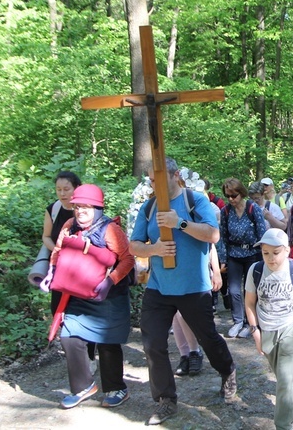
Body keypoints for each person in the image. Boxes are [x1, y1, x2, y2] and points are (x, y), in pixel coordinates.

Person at [130, 158, 237, 425]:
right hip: (159, 287)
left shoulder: (195, 200)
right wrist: (153, 249)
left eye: (158, 178)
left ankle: (227, 370)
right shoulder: (149, 206)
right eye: (150, 180)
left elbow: (213, 235)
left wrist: (181, 223)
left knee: (208, 338)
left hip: (193, 287)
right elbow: (134, 245)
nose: (153, 184)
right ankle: (166, 400)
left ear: (176, 175)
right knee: (153, 343)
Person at [47, 184, 134, 409]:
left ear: (97, 208)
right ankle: (83, 387)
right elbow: (58, 251)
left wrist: (109, 281)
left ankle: (117, 388)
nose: (80, 211)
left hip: (110, 297)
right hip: (77, 294)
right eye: (77, 206)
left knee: (108, 344)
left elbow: (127, 259)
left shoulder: (111, 230)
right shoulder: (69, 226)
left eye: (86, 206)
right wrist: (52, 271)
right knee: (69, 337)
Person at [244, 229, 293, 430]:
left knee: (284, 379)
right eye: (265, 252)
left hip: (290, 328)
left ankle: (284, 425)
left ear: (287, 251)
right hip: (267, 329)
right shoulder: (255, 270)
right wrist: (255, 332)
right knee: (284, 377)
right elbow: (250, 303)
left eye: (275, 252)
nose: (270, 258)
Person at [42, 171, 97, 365]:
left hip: (83, 271)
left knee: (85, 313)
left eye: (66, 189)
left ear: (76, 188)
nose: (62, 193)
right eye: (59, 189)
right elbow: (46, 237)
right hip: (60, 270)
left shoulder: (85, 209)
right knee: (58, 310)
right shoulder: (53, 209)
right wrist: (59, 249)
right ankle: (74, 356)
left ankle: (90, 356)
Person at [221, 177, 267, 339]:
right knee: (233, 290)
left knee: (250, 290)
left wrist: (265, 257)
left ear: (241, 193)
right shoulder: (225, 211)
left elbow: (262, 234)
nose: (231, 199)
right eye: (228, 196)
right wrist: (223, 259)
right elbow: (223, 236)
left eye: (234, 196)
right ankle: (238, 321)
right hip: (234, 254)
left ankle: (250, 322)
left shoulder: (252, 208)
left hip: (252, 255)